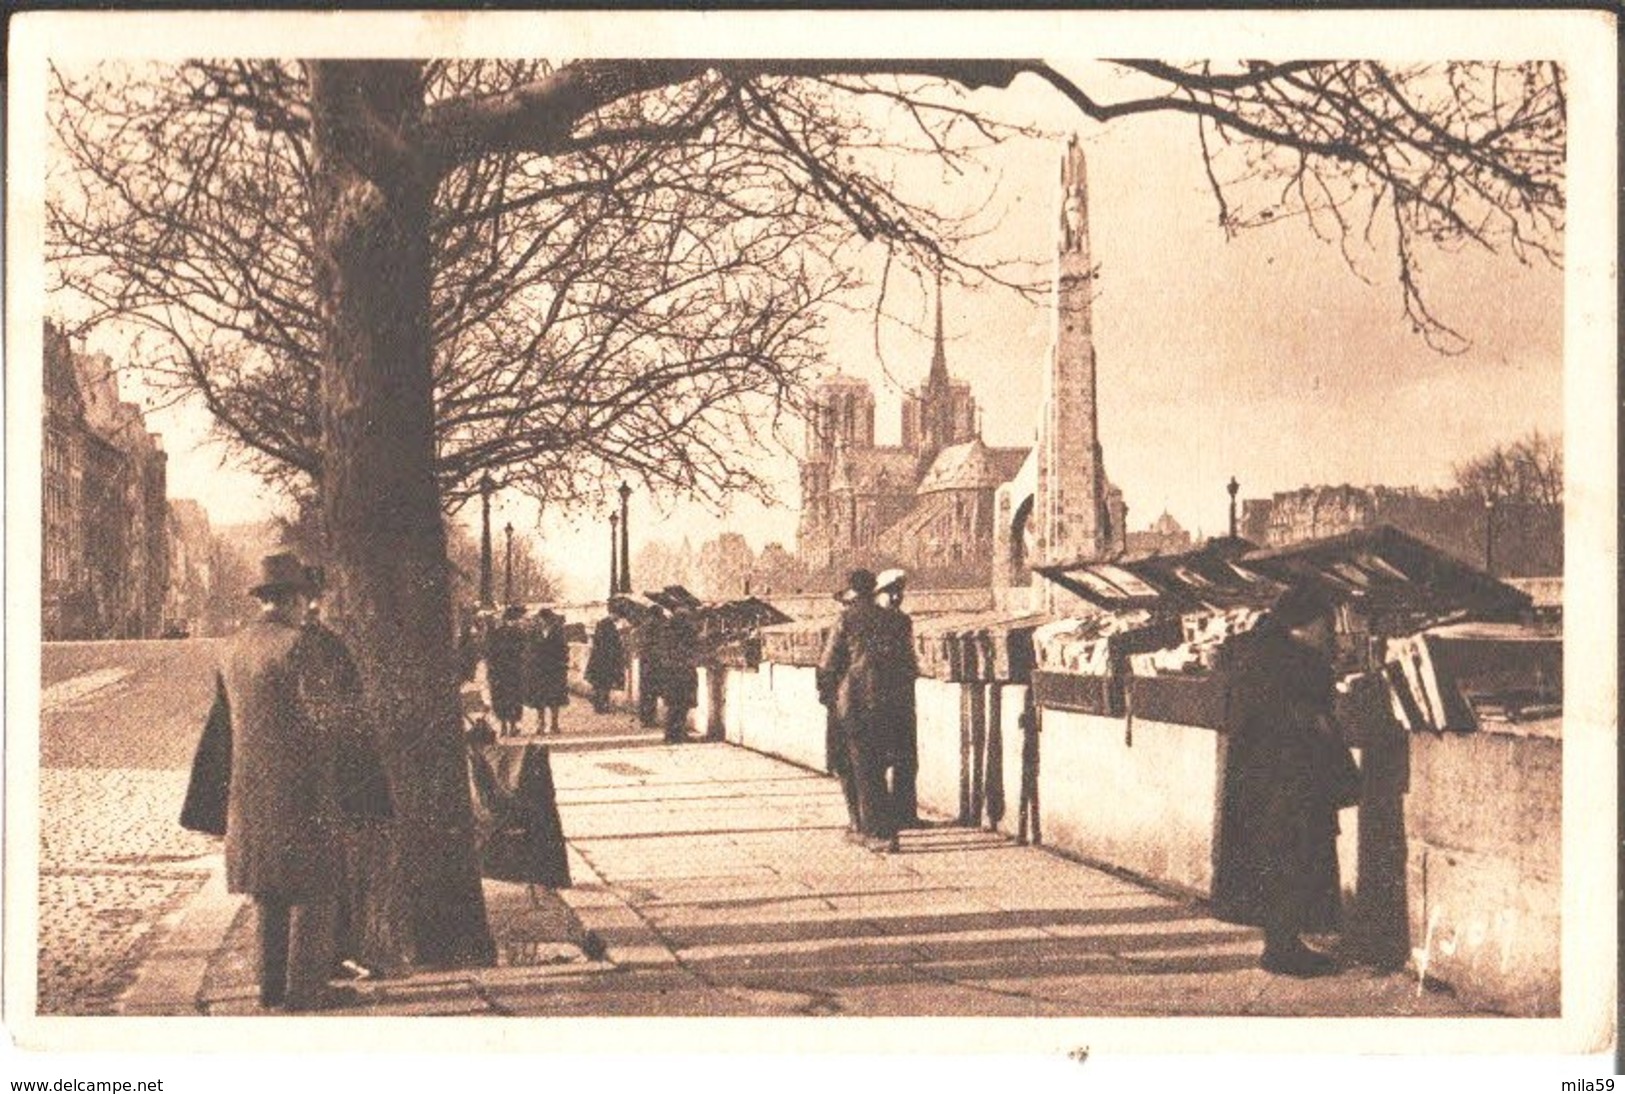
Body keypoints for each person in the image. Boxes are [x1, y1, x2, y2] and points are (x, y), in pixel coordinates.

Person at [217, 552, 389, 1011]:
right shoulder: (302, 647)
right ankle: (306, 991)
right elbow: (328, 722)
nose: (307, 608)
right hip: (304, 790)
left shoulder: (233, 648)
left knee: (268, 892)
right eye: (304, 599)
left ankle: (271, 989)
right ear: (294, 599)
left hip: (249, 795)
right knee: (317, 889)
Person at [1211, 582, 1356, 978]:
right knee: (1296, 860)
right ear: (1306, 624)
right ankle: (1284, 950)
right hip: (1294, 779)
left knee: (1268, 862)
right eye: (1325, 626)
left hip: (1254, 779)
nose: (1329, 634)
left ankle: (1279, 944)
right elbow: (1313, 721)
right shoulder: (1300, 663)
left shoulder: (1246, 651)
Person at [818, 569, 911, 853]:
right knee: (881, 765)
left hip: (856, 702)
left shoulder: (846, 618)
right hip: (889, 701)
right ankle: (887, 829)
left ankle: (875, 833)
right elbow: (906, 662)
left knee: (863, 767)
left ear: (853, 591)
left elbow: (828, 662)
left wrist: (827, 694)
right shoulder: (895, 619)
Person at [873, 568, 920, 830]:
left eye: (898, 592)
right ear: (878, 594)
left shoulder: (903, 621)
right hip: (880, 697)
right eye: (889, 592)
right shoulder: (875, 622)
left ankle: (905, 815)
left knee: (906, 759)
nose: (895, 597)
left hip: (902, 697)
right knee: (880, 758)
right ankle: (883, 818)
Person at [524, 608, 570, 735]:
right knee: (540, 698)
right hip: (538, 669)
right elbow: (529, 649)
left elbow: (564, 649)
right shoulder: (533, 632)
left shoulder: (558, 631)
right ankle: (541, 724)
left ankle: (554, 724)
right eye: (541, 619)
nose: (543, 622)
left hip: (554, 669)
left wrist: (562, 663)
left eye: (545, 619)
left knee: (555, 698)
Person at [486, 605, 528, 736]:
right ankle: (513, 726)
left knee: (501, 698)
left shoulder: (495, 633)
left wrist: (491, 671)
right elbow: (525, 652)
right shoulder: (520, 633)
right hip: (514, 671)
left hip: (499, 672)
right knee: (514, 698)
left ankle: (504, 726)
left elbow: (489, 653)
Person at [585, 614, 627, 713]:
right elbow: (610, 644)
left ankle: (600, 706)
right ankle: (601, 706)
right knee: (604, 685)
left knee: (601, 684)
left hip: (600, 659)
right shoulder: (607, 625)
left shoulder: (604, 624)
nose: (619, 618)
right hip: (605, 660)